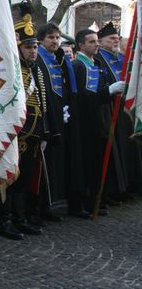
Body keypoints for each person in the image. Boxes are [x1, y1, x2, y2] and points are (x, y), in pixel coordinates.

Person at [0, 3, 48, 239]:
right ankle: (5, 220)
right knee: (10, 179)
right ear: (17, 47)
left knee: (25, 179)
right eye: (28, 47)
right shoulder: (11, 71)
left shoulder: (34, 71)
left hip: (33, 134)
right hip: (14, 135)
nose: (33, 51)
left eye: (35, 46)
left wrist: (43, 131)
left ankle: (20, 217)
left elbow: (41, 103)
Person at [72, 29, 125, 216]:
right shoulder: (78, 65)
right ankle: (83, 203)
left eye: (96, 41)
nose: (96, 44)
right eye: (92, 41)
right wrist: (108, 91)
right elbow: (85, 97)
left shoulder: (97, 63)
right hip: (86, 122)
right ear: (81, 45)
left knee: (98, 161)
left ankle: (97, 199)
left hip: (100, 119)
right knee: (87, 162)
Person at [36, 22, 78, 221]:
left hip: (58, 115)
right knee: (43, 166)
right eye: (51, 37)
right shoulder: (39, 58)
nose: (55, 41)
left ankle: (46, 205)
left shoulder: (54, 58)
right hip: (46, 118)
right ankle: (37, 208)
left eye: (57, 37)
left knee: (52, 165)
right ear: (41, 40)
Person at [95, 22, 138, 202]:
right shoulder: (99, 58)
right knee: (113, 151)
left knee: (125, 149)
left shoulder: (120, 57)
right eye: (111, 38)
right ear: (101, 41)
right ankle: (112, 191)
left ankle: (126, 185)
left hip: (123, 112)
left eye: (117, 38)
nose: (116, 41)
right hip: (108, 110)